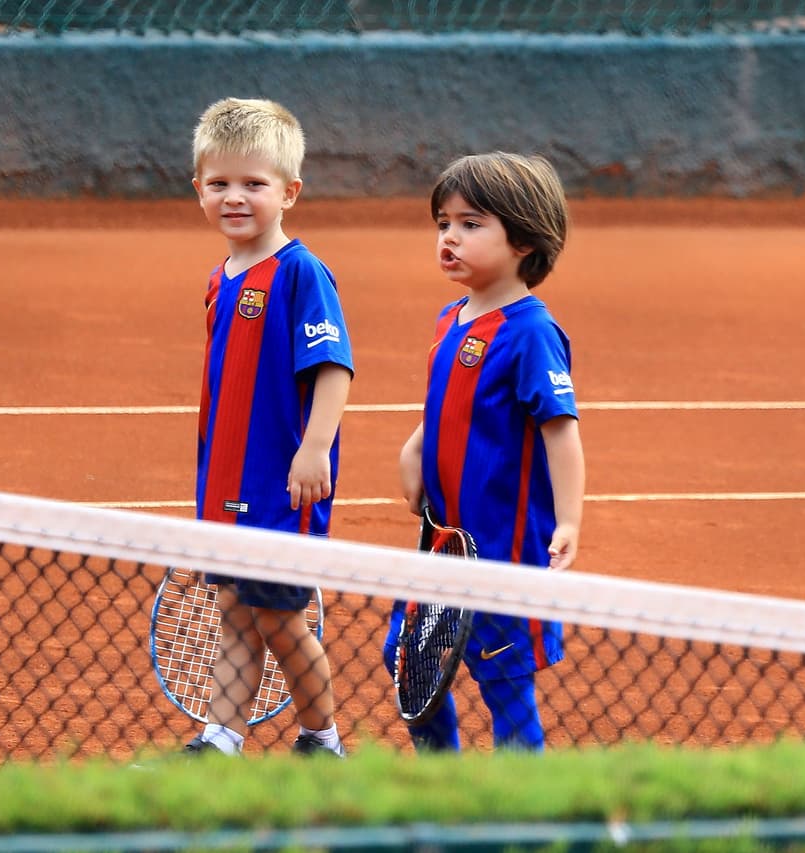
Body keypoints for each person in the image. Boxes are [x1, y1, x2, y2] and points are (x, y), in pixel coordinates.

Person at [388, 151, 585, 751]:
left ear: (523, 240)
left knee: (504, 683)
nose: (449, 237)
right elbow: (448, 405)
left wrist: (570, 519)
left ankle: (523, 810)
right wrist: (415, 449)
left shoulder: (530, 333)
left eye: (471, 225)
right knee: (405, 660)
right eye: (443, 223)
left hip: (503, 550)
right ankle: (443, 780)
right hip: (444, 544)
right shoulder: (452, 318)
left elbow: (562, 430)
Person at [184, 97, 352, 757]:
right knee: (232, 612)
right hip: (224, 482)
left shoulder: (301, 273)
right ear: (198, 188)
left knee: (280, 617)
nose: (235, 197)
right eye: (219, 183)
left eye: (254, 184)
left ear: (289, 192)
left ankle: (323, 739)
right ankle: (222, 738)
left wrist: (314, 449)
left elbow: (334, 364)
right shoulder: (219, 279)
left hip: (282, 486)